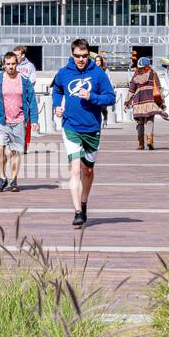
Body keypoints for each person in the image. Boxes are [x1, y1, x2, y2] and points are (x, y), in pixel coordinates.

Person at [51, 37, 116, 227]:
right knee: (75, 168)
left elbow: (110, 97)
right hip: (70, 126)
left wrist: (92, 97)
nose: (81, 60)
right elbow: (57, 90)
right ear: (72, 54)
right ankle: (77, 211)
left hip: (92, 127)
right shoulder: (64, 73)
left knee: (88, 170)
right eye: (77, 56)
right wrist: (57, 106)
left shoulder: (98, 74)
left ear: (89, 55)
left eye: (85, 56)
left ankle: (84, 202)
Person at [0, 49, 38, 193]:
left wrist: (34, 120)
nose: (11, 67)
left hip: (19, 121)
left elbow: (32, 101)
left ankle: (13, 180)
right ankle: (2, 178)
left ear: (17, 64)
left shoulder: (24, 81)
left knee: (15, 152)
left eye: (13, 64)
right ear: (4, 65)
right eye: (8, 64)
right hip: (1, 122)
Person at [125, 56, 165, 150]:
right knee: (150, 121)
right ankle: (150, 140)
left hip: (139, 102)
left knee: (140, 123)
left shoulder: (136, 75)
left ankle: (141, 144)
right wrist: (162, 102)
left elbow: (131, 90)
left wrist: (126, 103)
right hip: (151, 101)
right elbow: (158, 88)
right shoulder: (153, 74)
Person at [94, 52, 111, 124]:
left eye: (99, 60)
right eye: (96, 61)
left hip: (103, 91)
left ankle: (105, 118)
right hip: (95, 91)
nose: (98, 62)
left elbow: (109, 80)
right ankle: (97, 121)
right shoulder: (92, 70)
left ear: (101, 61)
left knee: (103, 107)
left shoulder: (105, 70)